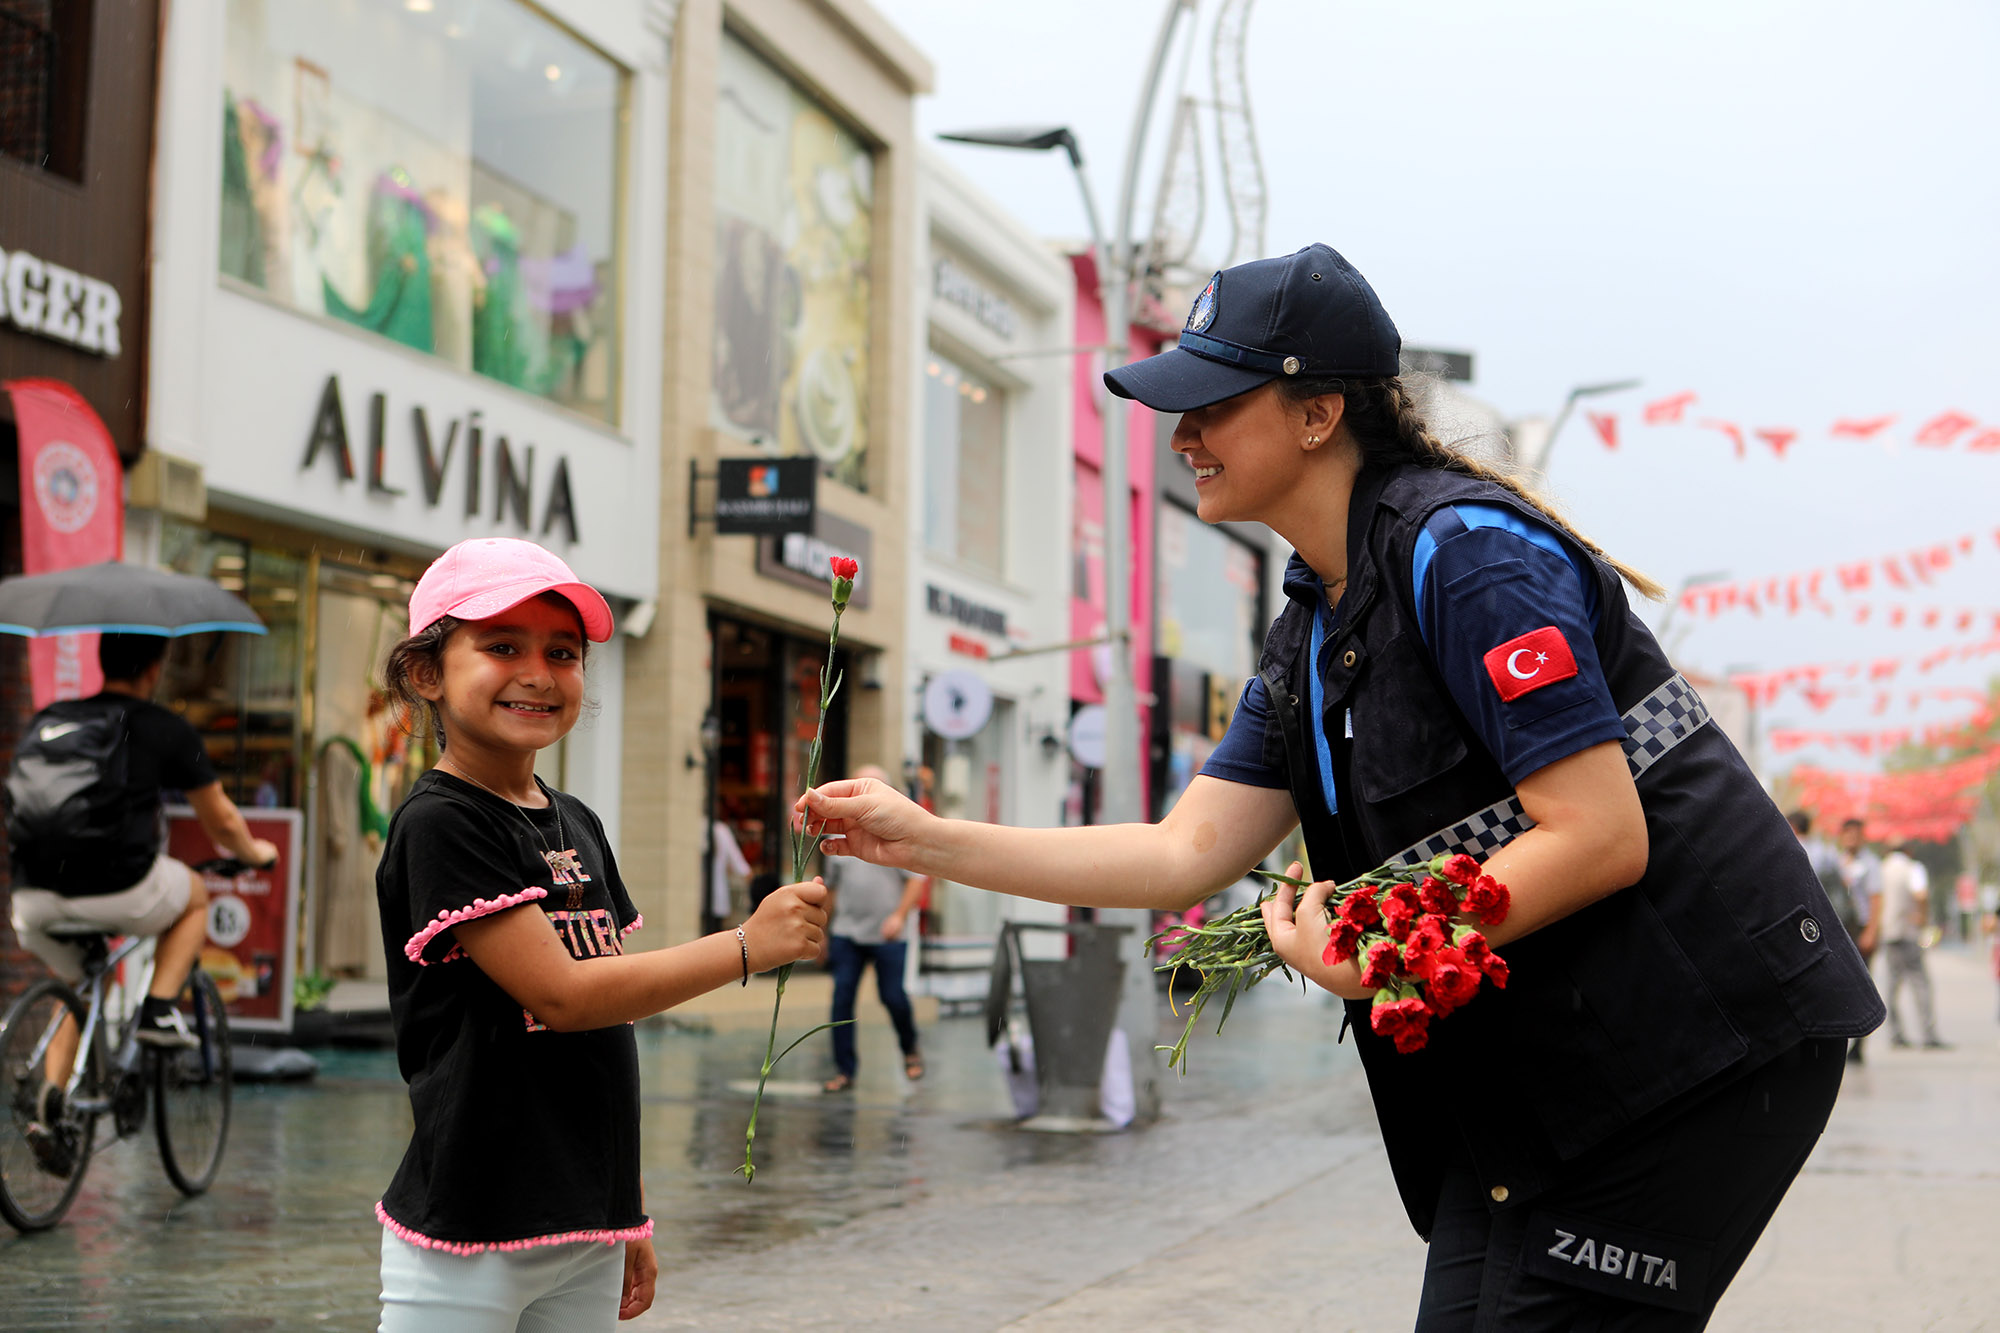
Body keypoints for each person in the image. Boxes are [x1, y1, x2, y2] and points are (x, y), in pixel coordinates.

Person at [800, 244, 1884, 1331]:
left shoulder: (1465, 559)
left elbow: (1599, 834)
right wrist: (923, 840)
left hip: (1699, 1049)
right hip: (1548, 1071)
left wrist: (1374, 951)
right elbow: (1184, 852)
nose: (1181, 437)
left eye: (1212, 406)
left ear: (1316, 414)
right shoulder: (1309, 626)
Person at [372, 538, 828, 1331]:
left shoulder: (574, 818)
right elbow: (564, 997)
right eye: (502, 646)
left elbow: (604, 1039)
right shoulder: (442, 821)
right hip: (472, 1230)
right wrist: (746, 945)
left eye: (564, 652)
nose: (539, 672)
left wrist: (629, 1211)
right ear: (426, 673)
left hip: (584, 1225)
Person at [8, 632, 278, 1170]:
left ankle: (49, 1109)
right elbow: (221, 821)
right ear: (155, 668)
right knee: (195, 895)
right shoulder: (164, 727)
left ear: (101, 662)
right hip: (119, 890)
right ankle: (158, 1009)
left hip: (32, 900)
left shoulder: (50, 719)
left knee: (78, 989)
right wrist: (258, 853)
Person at [819, 764, 926, 1093]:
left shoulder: (898, 833)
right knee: (841, 1001)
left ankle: (910, 1051)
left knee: (893, 997)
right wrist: (822, 929)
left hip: (887, 934)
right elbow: (831, 890)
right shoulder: (838, 835)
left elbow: (915, 883)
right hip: (847, 932)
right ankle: (845, 1071)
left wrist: (898, 915)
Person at [1875, 839, 1946, 1050]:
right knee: (1920, 983)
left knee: (1892, 985)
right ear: (1909, 850)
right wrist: (1922, 918)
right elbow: (1921, 895)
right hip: (1908, 932)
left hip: (1889, 933)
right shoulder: (1913, 868)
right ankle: (1928, 1034)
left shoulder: (1882, 868)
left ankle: (1896, 1034)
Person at [1835, 816, 1883, 1062]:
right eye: (1847, 834)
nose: (1851, 839)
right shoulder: (1839, 861)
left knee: (1863, 986)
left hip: (1862, 927)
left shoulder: (1871, 863)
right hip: (1843, 927)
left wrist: (1872, 931)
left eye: (1856, 834)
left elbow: (1876, 898)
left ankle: (1860, 1047)